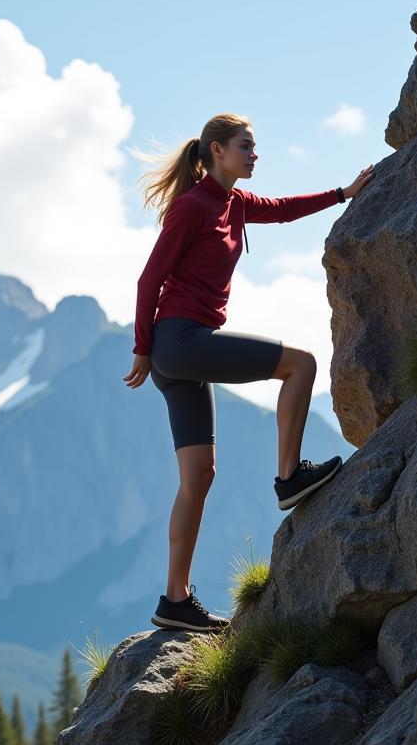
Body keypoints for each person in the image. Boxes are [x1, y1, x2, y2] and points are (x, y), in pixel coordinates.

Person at [123, 113, 374, 633]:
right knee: (300, 365)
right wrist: (143, 349)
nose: (254, 154)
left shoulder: (234, 203)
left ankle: (175, 600)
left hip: (183, 351)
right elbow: (151, 278)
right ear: (216, 151)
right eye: (246, 146)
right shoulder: (193, 207)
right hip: (180, 341)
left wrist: (343, 193)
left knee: (199, 475)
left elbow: (282, 211)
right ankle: (288, 477)